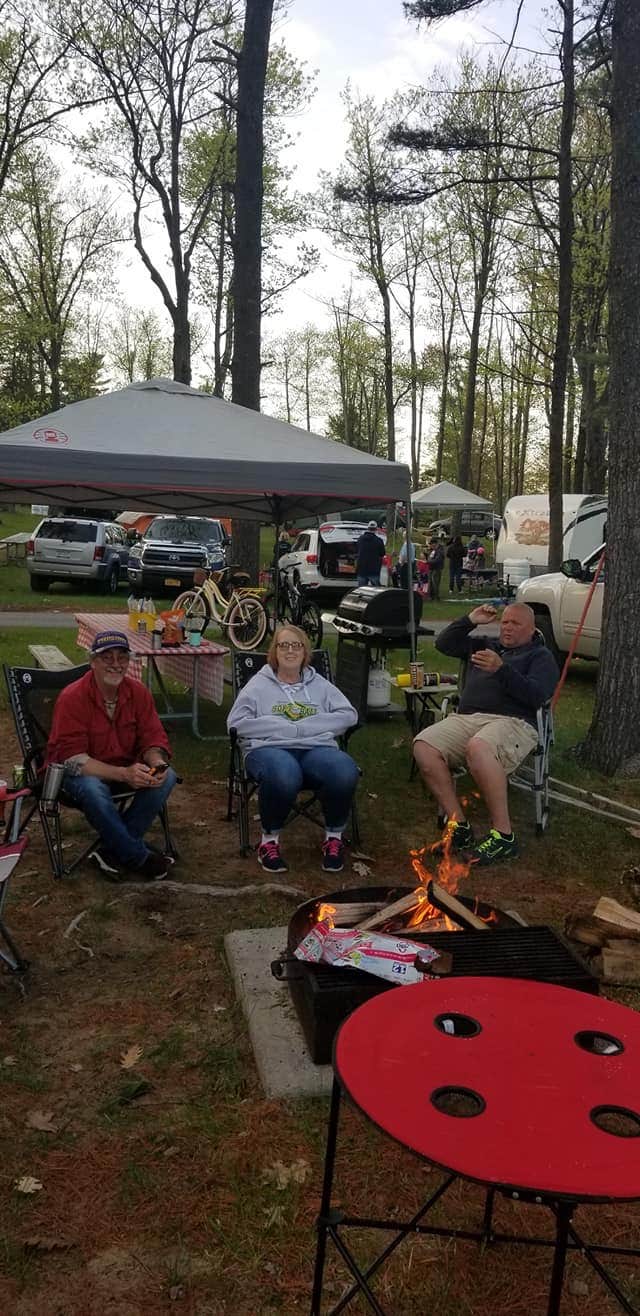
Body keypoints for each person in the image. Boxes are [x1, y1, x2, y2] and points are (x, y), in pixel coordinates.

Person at [413, 603, 559, 865]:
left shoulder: (540, 656)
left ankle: (504, 837)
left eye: (516, 624)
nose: (508, 627)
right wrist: (470, 619)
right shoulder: (484, 645)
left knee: (479, 747)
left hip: (514, 722)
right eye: (505, 622)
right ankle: (459, 827)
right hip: (469, 718)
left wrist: (502, 670)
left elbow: (537, 696)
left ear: (532, 629)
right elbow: (443, 644)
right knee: (424, 745)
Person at [227, 624, 359, 875]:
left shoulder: (319, 684)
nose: (290, 650)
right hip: (268, 749)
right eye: (283, 645)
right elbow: (236, 724)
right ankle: (269, 843)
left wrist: (307, 727)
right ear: (274, 652)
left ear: (305, 651)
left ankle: (333, 838)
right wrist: (280, 728)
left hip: (315, 749)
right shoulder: (258, 685)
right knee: (284, 772)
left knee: (344, 769)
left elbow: (349, 715)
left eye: (296, 645)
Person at [46, 630, 177, 880]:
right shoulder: (72, 698)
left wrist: (156, 763)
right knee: (93, 789)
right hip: (80, 773)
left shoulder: (138, 693)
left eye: (122, 658)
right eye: (107, 658)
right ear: (92, 661)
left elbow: (153, 737)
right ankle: (137, 856)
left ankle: (112, 850)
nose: (116, 665)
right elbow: (73, 759)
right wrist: (123, 773)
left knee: (167, 776)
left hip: (124, 767)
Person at [356, 520, 385, 587]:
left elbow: (357, 550)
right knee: (376, 591)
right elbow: (382, 554)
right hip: (374, 570)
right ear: (376, 529)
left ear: (368, 528)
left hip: (361, 570)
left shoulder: (360, 539)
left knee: (361, 590)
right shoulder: (379, 540)